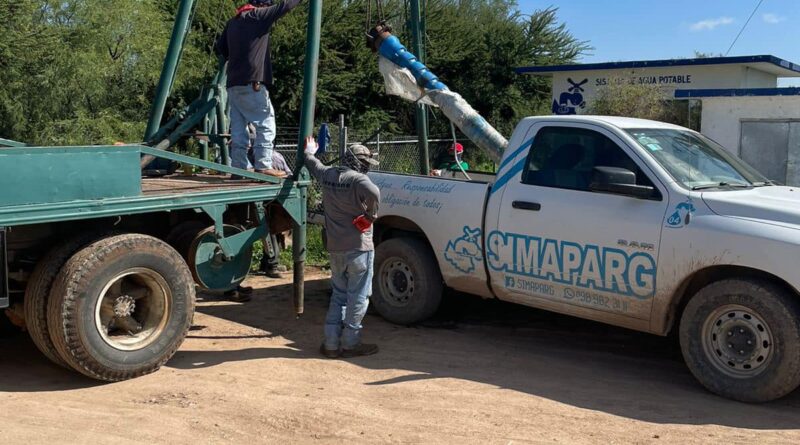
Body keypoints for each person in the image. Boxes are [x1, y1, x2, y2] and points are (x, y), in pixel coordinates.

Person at [303, 136, 381, 359]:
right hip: (359, 247)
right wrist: (370, 215)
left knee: (339, 294)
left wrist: (310, 151)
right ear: (358, 162)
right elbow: (374, 192)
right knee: (358, 296)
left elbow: (313, 164)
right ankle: (350, 343)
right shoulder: (358, 180)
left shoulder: (329, 175)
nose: (367, 167)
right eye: (365, 163)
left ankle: (330, 343)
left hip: (335, 247)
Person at [215, 0, 302, 178]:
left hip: (233, 85)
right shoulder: (258, 16)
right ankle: (263, 165)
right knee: (266, 124)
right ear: (263, 6)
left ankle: (239, 168)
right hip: (252, 83)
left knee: (239, 129)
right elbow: (284, 6)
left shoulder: (233, 22)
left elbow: (221, 49)